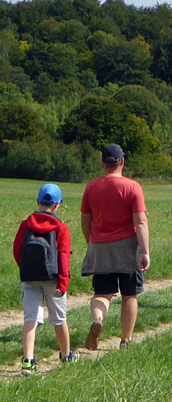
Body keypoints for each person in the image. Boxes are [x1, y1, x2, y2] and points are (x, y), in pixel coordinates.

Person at [80, 144, 150, 351]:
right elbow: (140, 222)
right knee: (130, 294)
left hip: (100, 245)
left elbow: (86, 220)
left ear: (102, 162)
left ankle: (98, 319)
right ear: (122, 162)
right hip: (127, 248)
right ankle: (126, 340)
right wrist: (145, 251)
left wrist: (90, 241)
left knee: (102, 293)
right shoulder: (132, 187)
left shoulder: (91, 187)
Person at [14, 183, 75, 372]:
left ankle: (28, 361)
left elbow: (17, 250)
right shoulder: (61, 228)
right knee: (58, 319)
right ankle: (66, 356)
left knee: (31, 319)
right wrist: (63, 283)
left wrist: (26, 268)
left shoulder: (26, 224)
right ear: (57, 205)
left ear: (37, 202)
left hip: (30, 277)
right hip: (53, 279)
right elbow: (63, 256)